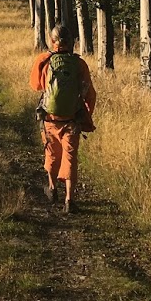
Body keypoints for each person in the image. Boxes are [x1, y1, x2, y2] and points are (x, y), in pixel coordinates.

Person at [29, 25, 96, 214]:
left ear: (52, 41)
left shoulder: (44, 61)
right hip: (72, 120)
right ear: (72, 42)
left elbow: (36, 85)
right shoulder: (80, 64)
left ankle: (52, 188)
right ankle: (69, 201)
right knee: (70, 157)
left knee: (51, 154)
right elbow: (90, 94)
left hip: (50, 119)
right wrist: (86, 115)